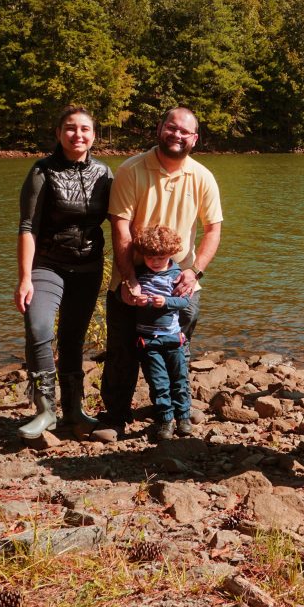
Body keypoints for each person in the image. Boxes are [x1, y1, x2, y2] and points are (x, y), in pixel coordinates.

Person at [91, 107, 223, 442]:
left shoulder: (202, 176)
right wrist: (128, 279)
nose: (177, 135)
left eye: (185, 132)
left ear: (195, 138)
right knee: (123, 349)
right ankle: (116, 416)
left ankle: (174, 408)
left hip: (181, 279)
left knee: (177, 348)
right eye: (172, 128)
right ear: (159, 128)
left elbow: (213, 230)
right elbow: (120, 229)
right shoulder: (131, 169)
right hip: (133, 272)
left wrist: (195, 272)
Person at [15, 106, 113, 441]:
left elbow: (121, 220)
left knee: (73, 337)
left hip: (88, 266)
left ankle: (73, 409)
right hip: (48, 263)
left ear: (94, 136)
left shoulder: (104, 173)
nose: (78, 135)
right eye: (70, 128)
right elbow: (27, 227)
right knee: (38, 325)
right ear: (59, 133)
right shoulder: (42, 171)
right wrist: (25, 277)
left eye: (85, 129)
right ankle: (45, 410)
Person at [131, 225, 191, 441]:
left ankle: (183, 417)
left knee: (179, 379)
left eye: (161, 257)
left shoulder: (177, 275)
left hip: (173, 338)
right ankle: (165, 419)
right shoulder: (139, 275)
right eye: (150, 257)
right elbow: (126, 298)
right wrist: (136, 300)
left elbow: (184, 301)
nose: (155, 261)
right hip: (148, 340)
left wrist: (166, 302)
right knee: (158, 382)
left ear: (171, 253)